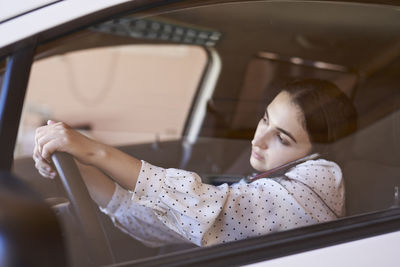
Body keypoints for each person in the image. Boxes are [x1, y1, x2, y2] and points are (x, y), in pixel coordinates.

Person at [33, 79, 357, 247]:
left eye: (282, 138)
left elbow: (213, 210)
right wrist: (81, 169)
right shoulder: (272, 182)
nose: (258, 140)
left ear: (319, 152)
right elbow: (171, 224)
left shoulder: (322, 179)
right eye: (264, 120)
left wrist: (94, 152)